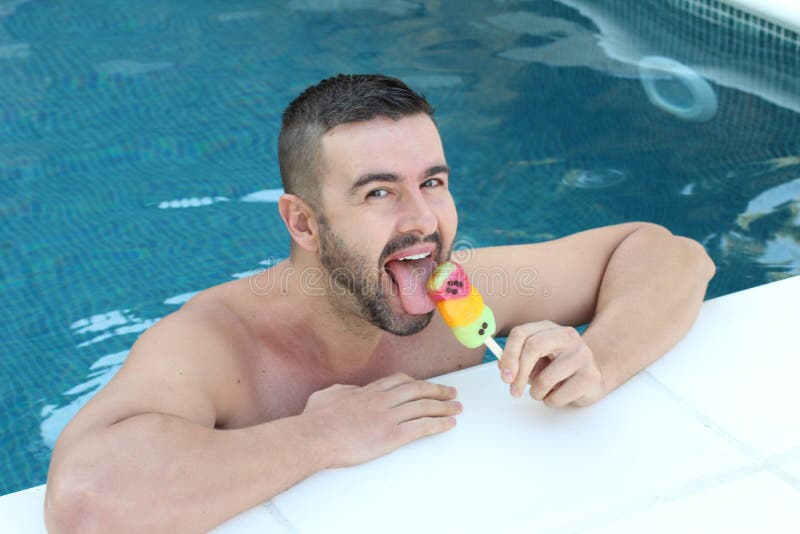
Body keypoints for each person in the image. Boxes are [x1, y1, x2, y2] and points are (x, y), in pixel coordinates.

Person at [45, 74, 715, 532]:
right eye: (379, 192)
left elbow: (669, 252)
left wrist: (599, 358)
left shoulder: (456, 293)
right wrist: (322, 436)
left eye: (433, 181)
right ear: (304, 224)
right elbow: (86, 502)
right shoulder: (218, 345)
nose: (423, 218)